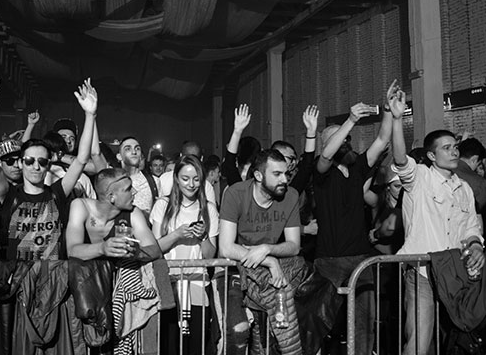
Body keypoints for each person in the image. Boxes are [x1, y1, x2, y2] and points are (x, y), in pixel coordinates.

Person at [388, 89, 484, 355]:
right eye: (446, 148)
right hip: (422, 273)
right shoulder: (420, 178)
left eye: (455, 147)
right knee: (420, 343)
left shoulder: (464, 188)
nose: (454, 152)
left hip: (456, 275)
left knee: (456, 341)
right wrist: (397, 119)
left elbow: (471, 228)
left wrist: (476, 245)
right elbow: (400, 160)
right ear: (431, 156)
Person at [313, 82, 396, 355]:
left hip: (360, 259)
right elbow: (326, 154)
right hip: (329, 260)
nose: (346, 142)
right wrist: (349, 119)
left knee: (364, 325)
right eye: (341, 138)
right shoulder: (321, 173)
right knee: (324, 324)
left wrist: (388, 110)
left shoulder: (357, 167)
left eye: (348, 138)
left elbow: (382, 140)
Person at [0, 77, 97, 260]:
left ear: (49, 165)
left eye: (42, 161)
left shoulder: (57, 193)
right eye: (29, 161)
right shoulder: (11, 195)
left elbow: (81, 160)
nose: (36, 166)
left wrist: (90, 115)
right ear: (20, 163)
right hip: (19, 274)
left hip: (52, 273)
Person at [219, 149, 305, 355]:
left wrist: (266, 249)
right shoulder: (236, 193)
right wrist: (270, 261)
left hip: (269, 276)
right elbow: (226, 248)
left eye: (286, 173)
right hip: (236, 272)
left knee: (271, 336)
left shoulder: (290, 195)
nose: (284, 179)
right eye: (277, 174)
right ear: (258, 175)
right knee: (238, 332)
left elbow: (294, 245)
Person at [150, 155, 219, 355]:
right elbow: (155, 248)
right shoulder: (163, 205)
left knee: (196, 344)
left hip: (197, 282)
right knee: (170, 344)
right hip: (168, 282)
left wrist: (203, 236)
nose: (191, 184)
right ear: (176, 179)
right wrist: (176, 235)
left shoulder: (209, 208)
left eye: (196, 179)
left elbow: (210, 255)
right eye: (185, 178)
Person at [65, 167, 159, 260]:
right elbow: (72, 251)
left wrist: (136, 252)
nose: (134, 192)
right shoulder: (82, 206)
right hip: (86, 269)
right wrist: (102, 248)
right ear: (111, 197)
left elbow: (155, 251)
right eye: (128, 189)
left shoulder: (133, 213)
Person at [117, 136, 161, 215]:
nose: (134, 152)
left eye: (137, 148)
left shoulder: (154, 182)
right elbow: (96, 154)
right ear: (119, 156)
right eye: (128, 149)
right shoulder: (113, 180)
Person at [455, 137, 486, 216]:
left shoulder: (444, 170)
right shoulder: (479, 182)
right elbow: (477, 212)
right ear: (474, 159)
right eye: (478, 164)